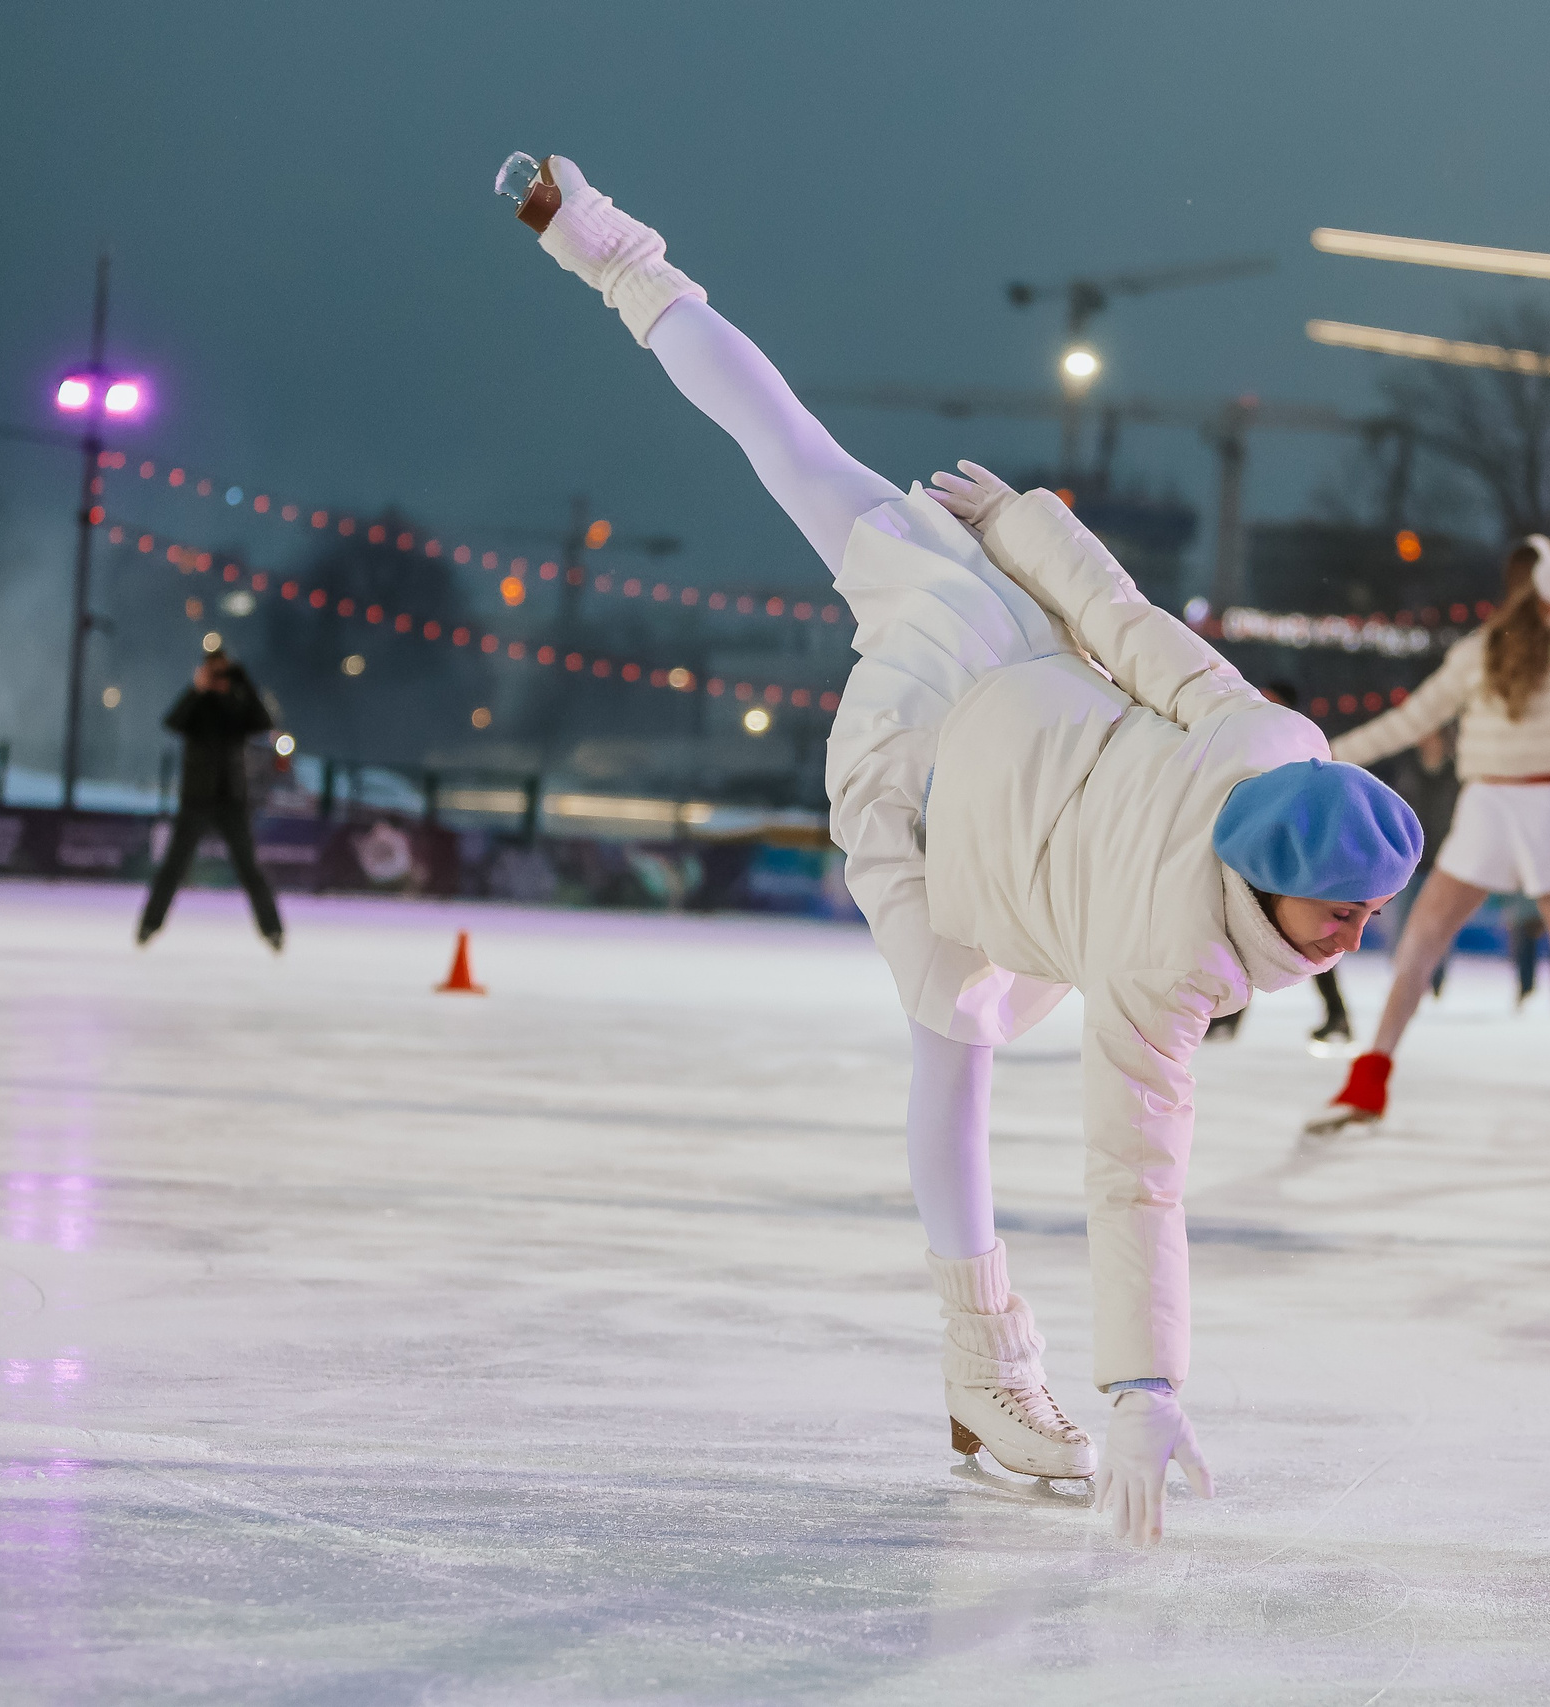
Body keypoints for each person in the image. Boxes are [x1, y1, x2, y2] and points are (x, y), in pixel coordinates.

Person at [520, 156, 1421, 1545]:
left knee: (804, 461)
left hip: (998, 639)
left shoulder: (1266, 737)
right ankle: (985, 1370)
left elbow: (1127, 626)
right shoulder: (1163, 960)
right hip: (941, 781)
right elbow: (1138, 1170)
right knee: (959, 1042)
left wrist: (1022, 529)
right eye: (1337, 911)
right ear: (1259, 882)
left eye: (1369, 909)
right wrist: (1146, 1383)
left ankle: (612, 247)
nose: (1358, 933)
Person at [1306, 535, 1550, 1142]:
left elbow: (1411, 721)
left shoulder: (1480, 649)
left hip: (1489, 801)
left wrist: (1329, 757)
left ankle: (1370, 1080)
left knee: (1422, 943)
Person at [1205, 680, 1357, 1051]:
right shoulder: (1260, 745)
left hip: (1298, 865)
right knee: (1257, 934)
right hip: (1267, 858)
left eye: (1271, 702)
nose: (1262, 705)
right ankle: (1231, 1017)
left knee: (1305, 940)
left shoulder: (1303, 752)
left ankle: (1336, 1016)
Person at [138, 651, 285, 951]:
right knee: (174, 866)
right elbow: (172, 721)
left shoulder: (237, 705)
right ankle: (149, 924)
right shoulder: (198, 705)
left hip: (231, 800)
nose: (219, 680)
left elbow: (264, 721)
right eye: (214, 674)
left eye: (223, 675)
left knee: (248, 868)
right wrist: (196, 689)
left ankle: (272, 929)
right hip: (196, 799)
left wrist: (243, 682)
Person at [1382, 729, 1463, 1004]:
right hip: (1410, 861)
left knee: (1439, 925)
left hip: (1444, 860)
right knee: (1402, 923)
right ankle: (1402, 977)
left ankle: (1437, 976)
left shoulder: (1456, 773)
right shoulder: (1409, 770)